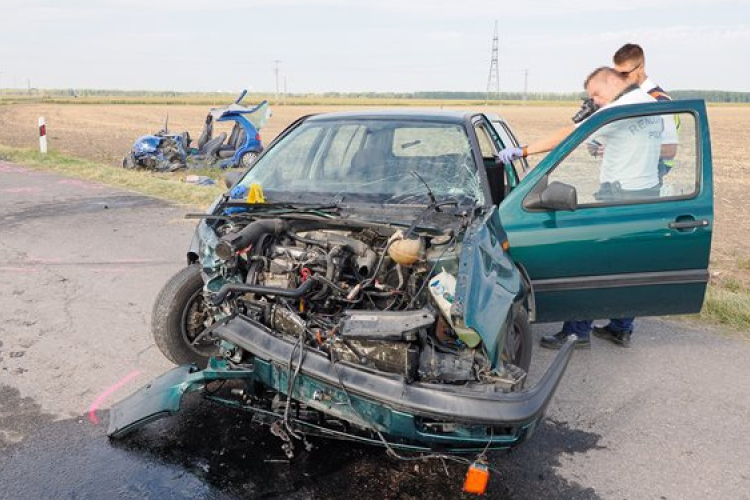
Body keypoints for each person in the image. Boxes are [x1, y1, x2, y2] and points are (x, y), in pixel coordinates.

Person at [498, 67, 667, 349]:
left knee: (593, 263)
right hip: (645, 194)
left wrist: (523, 151)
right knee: (628, 264)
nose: (596, 101)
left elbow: (569, 135)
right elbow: (637, 144)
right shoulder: (649, 104)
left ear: (613, 81)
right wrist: (606, 148)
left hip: (619, 197)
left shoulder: (617, 110)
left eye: (596, 94)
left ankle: (577, 332)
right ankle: (621, 327)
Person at [613, 43, 679, 182]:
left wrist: (622, 149)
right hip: (632, 173)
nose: (620, 79)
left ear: (641, 68)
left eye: (625, 74)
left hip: (651, 176)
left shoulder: (659, 100)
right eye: (617, 74)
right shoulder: (630, 97)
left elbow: (669, 150)